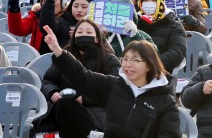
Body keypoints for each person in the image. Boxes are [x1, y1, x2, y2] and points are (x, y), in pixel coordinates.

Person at [41, 27, 180, 138]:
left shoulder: (165, 101)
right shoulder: (114, 85)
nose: (128, 65)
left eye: (135, 60)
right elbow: (83, 77)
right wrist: (58, 51)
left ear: (149, 65)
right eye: (125, 59)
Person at [39, 19, 121, 137]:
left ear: (97, 38)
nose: (84, 35)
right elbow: (48, 81)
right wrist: (53, 92)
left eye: (88, 32)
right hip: (64, 109)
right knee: (64, 104)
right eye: (80, 32)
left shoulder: (108, 59)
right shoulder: (64, 56)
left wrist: (87, 99)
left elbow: (116, 89)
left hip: (95, 113)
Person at [136, 0, 187, 72]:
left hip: (161, 72)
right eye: (145, 0)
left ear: (161, 1)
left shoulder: (174, 25)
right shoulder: (135, 22)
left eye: (153, 0)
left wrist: (152, 64)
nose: (149, 3)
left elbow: (177, 52)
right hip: (134, 70)